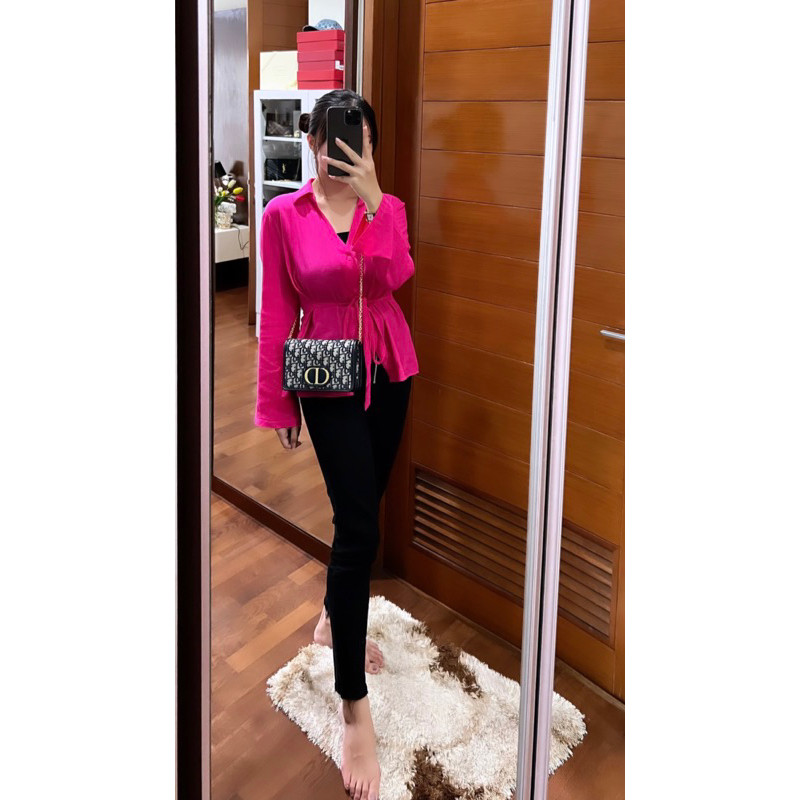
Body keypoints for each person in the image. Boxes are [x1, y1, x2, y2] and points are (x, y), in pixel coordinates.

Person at [253, 89, 419, 800]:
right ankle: (353, 706)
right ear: (313, 142)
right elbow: (277, 310)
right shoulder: (282, 216)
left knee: (363, 510)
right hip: (325, 375)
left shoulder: (389, 208)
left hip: (389, 367)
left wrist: (377, 204)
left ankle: (331, 618)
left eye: (362, 140)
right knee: (358, 528)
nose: (348, 150)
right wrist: (276, 400)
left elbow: (396, 276)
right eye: (336, 138)